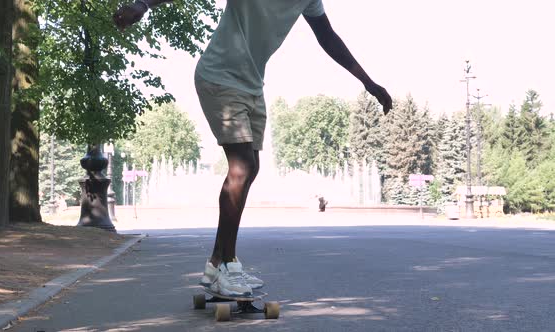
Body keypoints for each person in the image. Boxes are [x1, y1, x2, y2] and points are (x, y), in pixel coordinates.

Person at [114, 0, 392, 297]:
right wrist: (144, 3)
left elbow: (328, 37)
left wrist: (369, 82)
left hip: (252, 85)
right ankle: (228, 266)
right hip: (218, 77)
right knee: (242, 166)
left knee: (251, 167)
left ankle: (216, 264)